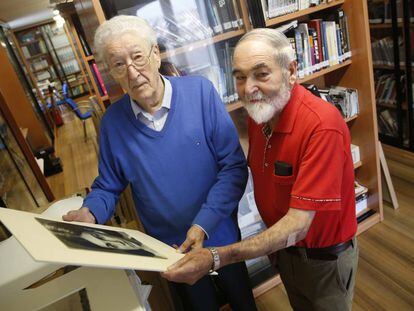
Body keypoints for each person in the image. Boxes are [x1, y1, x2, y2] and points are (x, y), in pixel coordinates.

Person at [62, 15, 257, 311]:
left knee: (243, 301)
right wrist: (90, 212)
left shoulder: (200, 93)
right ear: (111, 73)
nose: (132, 71)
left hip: (220, 233)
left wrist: (202, 225)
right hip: (170, 249)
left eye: (137, 57)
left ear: (155, 54)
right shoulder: (113, 124)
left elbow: (233, 168)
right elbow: (108, 185)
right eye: (118, 64)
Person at [163, 28, 359, 311]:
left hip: (323, 262)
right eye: (240, 77)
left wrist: (216, 257)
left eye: (261, 74)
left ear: (291, 71)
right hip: (284, 251)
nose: (248, 88)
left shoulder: (322, 126)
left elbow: (299, 223)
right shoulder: (261, 115)